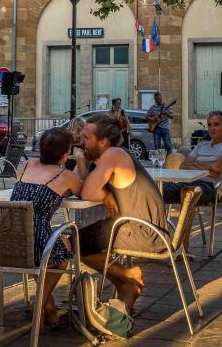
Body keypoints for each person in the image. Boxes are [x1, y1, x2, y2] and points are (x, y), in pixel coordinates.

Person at [74, 114, 168, 313]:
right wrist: (83, 163)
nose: (81, 142)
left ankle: (129, 275)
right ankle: (125, 287)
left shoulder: (113, 154)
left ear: (103, 141)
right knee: (76, 240)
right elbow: (83, 187)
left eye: (86, 137)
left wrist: (104, 192)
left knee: (68, 243)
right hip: (144, 229)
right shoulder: (113, 154)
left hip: (143, 233)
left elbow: (87, 192)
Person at [10, 127, 83, 327]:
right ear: (65, 153)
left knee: (42, 254)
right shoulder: (65, 175)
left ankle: (49, 308)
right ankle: (39, 304)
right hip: (37, 239)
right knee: (63, 252)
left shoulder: (25, 166)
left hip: (10, 237)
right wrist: (80, 163)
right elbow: (81, 191)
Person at [163, 110, 222, 207]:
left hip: (210, 187)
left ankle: (181, 222)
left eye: (216, 124)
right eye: (209, 125)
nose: (212, 128)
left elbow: (216, 167)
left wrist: (196, 163)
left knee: (189, 193)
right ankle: (156, 221)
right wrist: (209, 171)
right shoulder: (202, 145)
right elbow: (183, 166)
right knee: (158, 189)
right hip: (189, 182)